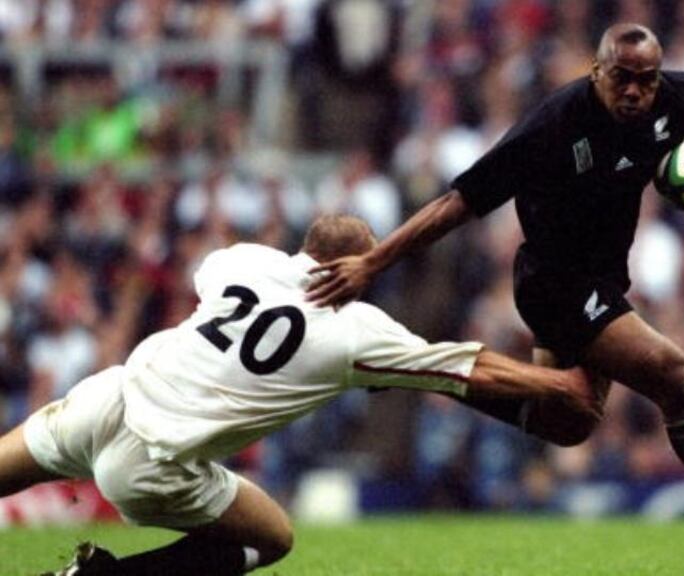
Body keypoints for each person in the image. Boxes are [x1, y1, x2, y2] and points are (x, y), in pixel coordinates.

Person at [306, 23, 684, 574]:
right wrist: (373, 261)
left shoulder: (673, 95)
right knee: (674, 377)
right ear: (597, 71)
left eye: (644, 82)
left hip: (603, 279)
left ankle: (421, 367)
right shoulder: (553, 125)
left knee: (570, 420)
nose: (634, 92)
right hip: (552, 282)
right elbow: (456, 202)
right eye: (621, 79)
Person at [0, 214, 601, 576]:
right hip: (154, 462)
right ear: (356, 268)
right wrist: (559, 382)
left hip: (111, 397)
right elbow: (467, 367)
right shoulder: (353, 332)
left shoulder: (240, 262)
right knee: (273, 540)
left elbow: (214, 272)